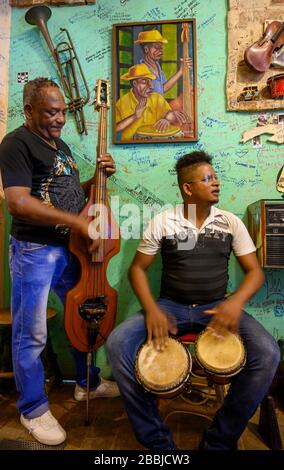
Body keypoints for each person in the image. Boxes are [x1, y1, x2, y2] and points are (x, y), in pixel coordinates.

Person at [106, 151, 280, 450]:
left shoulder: (230, 223)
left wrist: (235, 302)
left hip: (217, 307)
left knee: (268, 353)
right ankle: (159, 444)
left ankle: (218, 442)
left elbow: (254, 272)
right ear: (188, 188)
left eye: (215, 177)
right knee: (117, 344)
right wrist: (151, 310)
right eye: (208, 179)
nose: (216, 183)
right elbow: (137, 269)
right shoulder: (163, 221)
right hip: (169, 306)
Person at [0, 77, 119, 446]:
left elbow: (64, 192)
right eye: (51, 112)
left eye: (63, 111)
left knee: (84, 313)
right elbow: (17, 202)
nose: (60, 119)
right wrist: (79, 222)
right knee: (30, 332)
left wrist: (97, 179)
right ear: (30, 110)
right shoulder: (16, 143)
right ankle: (33, 408)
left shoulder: (59, 144)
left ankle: (87, 383)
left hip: (69, 249)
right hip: (35, 250)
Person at [116, 63, 187, 141]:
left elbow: (171, 115)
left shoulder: (156, 98)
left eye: (150, 81)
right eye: (144, 81)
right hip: (130, 147)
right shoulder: (122, 102)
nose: (151, 86)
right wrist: (135, 116)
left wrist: (168, 118)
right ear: (135, 84)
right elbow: (115, 129)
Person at [135, 29, 192, 95]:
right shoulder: (140, 70)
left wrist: (181, 71)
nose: (161, 51)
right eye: (156, 47)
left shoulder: (157, 65)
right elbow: (158, 92)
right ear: (146, 49)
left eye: (161, 47)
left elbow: (162, 88)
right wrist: (180, 72)